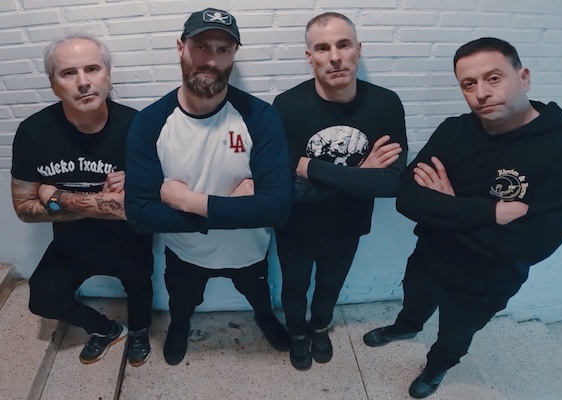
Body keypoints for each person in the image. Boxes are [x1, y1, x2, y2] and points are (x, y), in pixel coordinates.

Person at [363, 37, 562, 399]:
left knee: (456, 334)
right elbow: (407, 200)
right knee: (414, 300)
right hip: (430, 257)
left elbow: (529, 245)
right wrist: (490, 211)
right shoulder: (455, 130)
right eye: (468, 84)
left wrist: (444, 207)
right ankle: (406, 326)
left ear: (524, 77)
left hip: (488, 280)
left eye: (493, 78)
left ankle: (437, 368)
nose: (481, 93)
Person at [124, 8, 293, 366]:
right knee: (182, 302)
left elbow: (278, 207)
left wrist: (187, 200)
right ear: (180, 47)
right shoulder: (150, 122)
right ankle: (179, 327)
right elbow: (139, 214)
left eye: (222, 49)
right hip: (185, 252)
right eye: (201, 46)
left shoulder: (261, 117)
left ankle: (265, 319)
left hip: (249, 250)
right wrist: (236, 209)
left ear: (234, 55)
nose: (211, 60)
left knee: (259, 295)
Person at [272, 12, 407, 371]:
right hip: (295, 226)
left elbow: (392, 183)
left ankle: (319, 328)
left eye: (343, 45)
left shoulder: (385, 104)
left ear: (358, 50)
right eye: (322, 48)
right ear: (309, 56)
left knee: (331, 284)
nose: (335, 56)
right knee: (294, 286)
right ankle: (297, 333)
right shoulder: (287, 106)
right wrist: (361, 176)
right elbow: (286, 189)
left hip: (348, 224)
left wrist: (311, 168)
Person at [11, 33, 154, 367]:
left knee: (139, 287)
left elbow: (138, 209)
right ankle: (105, 328)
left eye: (92, 68)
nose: (83, 81)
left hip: (129, 240)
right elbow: (24, 209)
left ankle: (139, 331)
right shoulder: (33, 132)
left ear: (108, 75)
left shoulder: (139, 126)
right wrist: (103, 202)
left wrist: (54, 195)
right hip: (70, 242)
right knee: (42, 299)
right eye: (68, 73)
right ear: (53, 84)